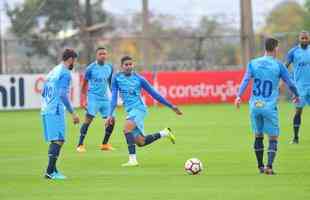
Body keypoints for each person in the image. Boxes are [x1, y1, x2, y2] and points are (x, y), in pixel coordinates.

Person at [235, 38, 299, 175]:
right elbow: (291, 83)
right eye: (278, 47)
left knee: (258, 135)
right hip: (269, 106)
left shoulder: (253, 63)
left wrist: (239, 96)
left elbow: (245, 80)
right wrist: (296, 95)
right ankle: (269, 167)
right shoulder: (278, 65)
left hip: (255, 105)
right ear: (275, 48)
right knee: (273, 137)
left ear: (265, 48)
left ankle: (260, 167)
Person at [106, 56, 182, 167]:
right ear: (121, 66)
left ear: (133, 65)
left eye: (130, 64)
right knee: (141, 142)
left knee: (126, 129)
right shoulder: (116, 78)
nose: (128, 67)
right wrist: (110, 114)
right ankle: (165, 133)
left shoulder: (139, 79)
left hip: (139, 109)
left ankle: (133, 160)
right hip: (130, 111)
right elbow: (113, 98)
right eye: (126, 65)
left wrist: (171, 106)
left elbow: (154, 94)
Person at [41, 48, 80, 180]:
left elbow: (44, 90)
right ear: (70, 59)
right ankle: (50, 172)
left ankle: (53, 170)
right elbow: (62, 94)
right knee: (59, 140)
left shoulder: (54, 70)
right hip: (55, 109)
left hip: (46, 108)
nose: (75, 63)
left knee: (55, 140)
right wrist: (73, 112)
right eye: (75, 60)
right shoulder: (65, 73)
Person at [77, 47, 115, 152]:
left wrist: (114, 97)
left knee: (112, 120)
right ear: (96, 55)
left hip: (105, 99)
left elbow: (109, 82)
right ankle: (80, 144)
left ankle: (104, 144)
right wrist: (83, 100)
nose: (103, 56)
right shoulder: (90, 68)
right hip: (93, 97)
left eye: (104, 54)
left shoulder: (109, 67)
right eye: (100, 54)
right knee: (88, 120)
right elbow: (84, 85)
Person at [286, 31, 310, 144]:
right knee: (298, 111)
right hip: (300, 87)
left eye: (306, 38)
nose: (304, 40)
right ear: (299, 39)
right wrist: (289, 80)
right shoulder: (293, 51)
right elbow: (284, 66)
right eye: (302, 38)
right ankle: (295, 138)